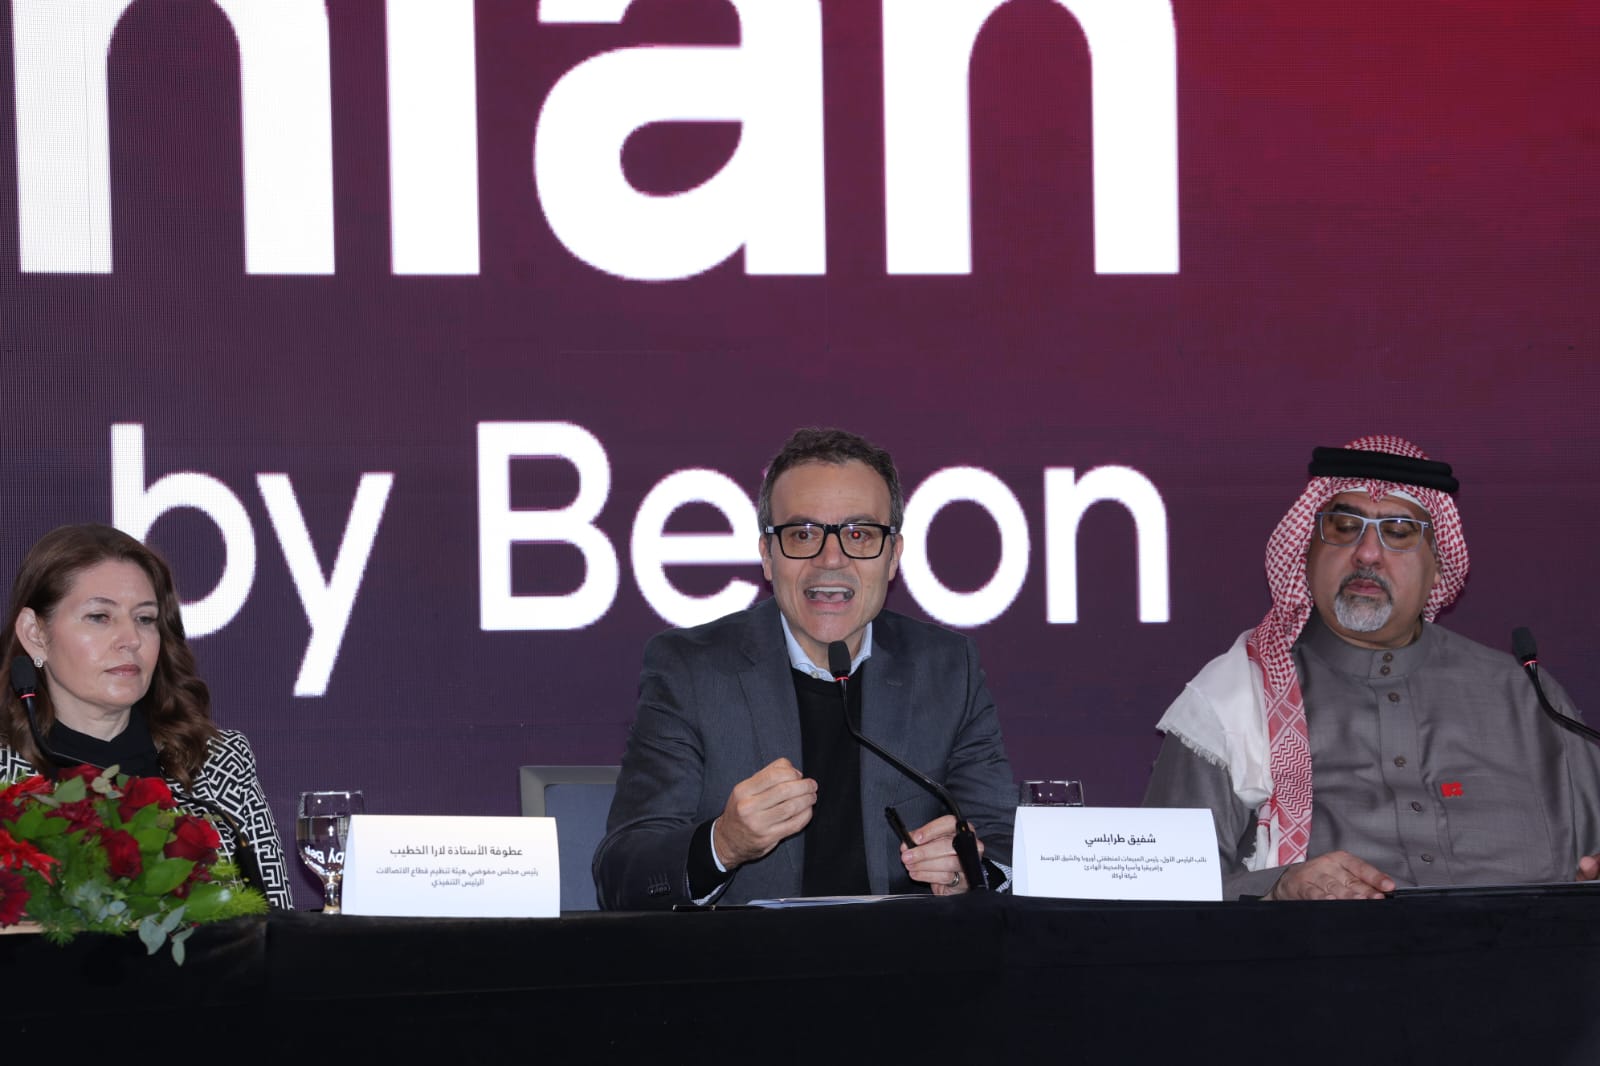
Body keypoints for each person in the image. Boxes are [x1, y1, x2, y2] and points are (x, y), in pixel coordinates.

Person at [1143, 436, 1600, 900]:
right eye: (1343, 527)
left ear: (1438, 564)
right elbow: (1159, 894)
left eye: (1398, 532)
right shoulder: (1235, 699)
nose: (1366, 553)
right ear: (1306, 552)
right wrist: (1277, 889)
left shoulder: (1528, 699)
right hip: (1319, 948)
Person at [594, 428, 1016, 909]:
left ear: (893, 557)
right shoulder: (690, 671)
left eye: (859, 534)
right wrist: (723, 844)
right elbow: (621, 874)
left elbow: (1007, 846)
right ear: (767, 556)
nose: (830, 559)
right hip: (749, 956)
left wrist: (971, 869)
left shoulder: (947, 669)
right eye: (803, 535)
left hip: (904, 953)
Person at [1, 523, 292, 908]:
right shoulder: (6, 774)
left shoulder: (217, 763)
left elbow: (276, 920)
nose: (131, 639)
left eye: (145, 619)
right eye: (99, 617)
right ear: (35, 633)